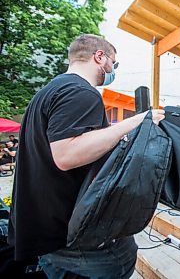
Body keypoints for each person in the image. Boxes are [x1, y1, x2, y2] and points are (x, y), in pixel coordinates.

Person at [8, 34, 165, 279]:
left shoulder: (47, 92)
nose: (113, 70)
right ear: (99, 56)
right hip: (70, 233)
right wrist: (136, 122)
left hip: (45, 227)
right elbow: (67, 154)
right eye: (114, 63)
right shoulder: (81, 92)